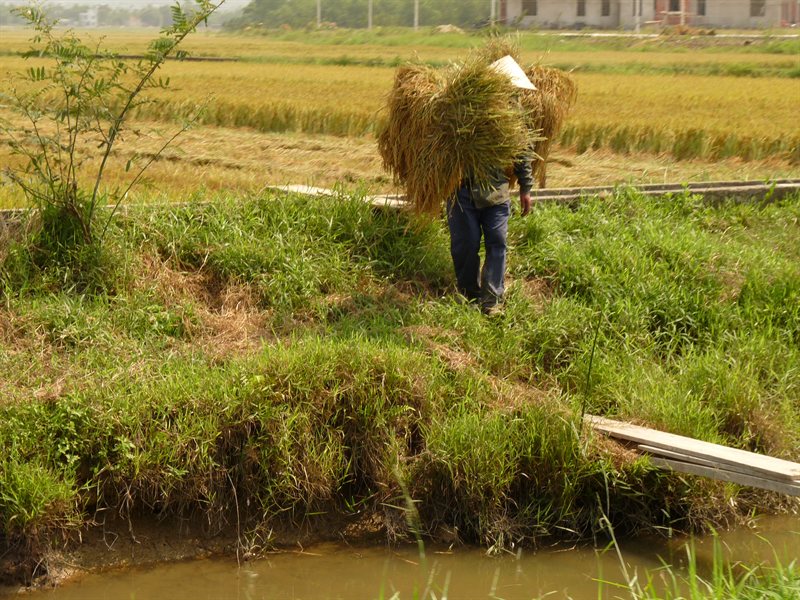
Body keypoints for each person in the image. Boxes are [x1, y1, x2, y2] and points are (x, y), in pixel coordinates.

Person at [447, 56, 536, 315]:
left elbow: (523, 150)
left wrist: (526, 189)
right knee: (466, 244)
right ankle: (468, 294)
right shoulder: (464, 107)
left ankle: (492, 301)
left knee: (497, 241)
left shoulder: (514, 114)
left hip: (496, 191)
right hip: (462, 189)